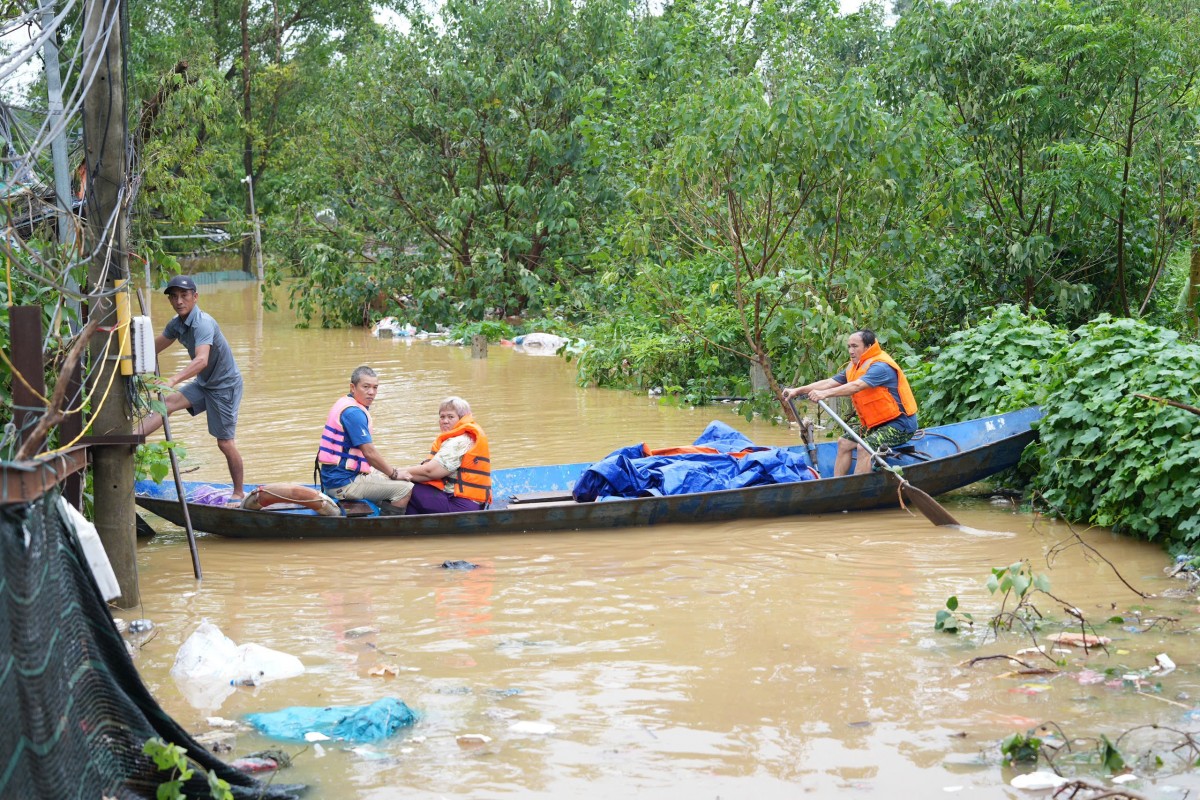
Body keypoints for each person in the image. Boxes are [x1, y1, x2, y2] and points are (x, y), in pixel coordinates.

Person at [137, 275, 245, 502]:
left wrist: (173, 379)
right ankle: (131, 439)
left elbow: (202, 360)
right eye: (174, 297)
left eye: (184, 296)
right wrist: (129, 359)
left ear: (195, 297)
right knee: (166, 404)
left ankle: (238, 493)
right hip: (205, 383)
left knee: (225, 443)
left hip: (224, 387)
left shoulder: (203, 323)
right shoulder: (176, 324)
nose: (179, 301)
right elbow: (153, 348)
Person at [783, 329, 918, 477]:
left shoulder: (880, 366)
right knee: (843, 442)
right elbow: (829, 382)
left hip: (900, 424)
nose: (851, 351)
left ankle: (858, 490)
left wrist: (824, 394)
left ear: (868, 347)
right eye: (849, 346)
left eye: (855, 346)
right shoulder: (855, 366)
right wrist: (797, 390)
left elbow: (857, 386)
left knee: (863, 447)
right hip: (876, 424)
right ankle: (837, 483)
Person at [316, 366, 413, 511]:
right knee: (405, 489)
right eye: (366, 387)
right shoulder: (354, 413)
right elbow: (370, 453)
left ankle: (380, 511)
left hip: (334, 480)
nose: (371, 392)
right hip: (343, 485)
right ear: (352, 387)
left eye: (375, 387)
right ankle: (388, 530)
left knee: (384, 477)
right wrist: (394, 473)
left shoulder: (346, 403)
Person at [396, 396, 492, 515]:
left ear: (461, 419)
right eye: (442, 417)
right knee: (410, 489)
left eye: (450, 417)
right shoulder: (459, 437)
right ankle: (411, 523)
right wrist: (400, 474)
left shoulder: (459, 441)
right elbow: (428, 474)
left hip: (461, 506)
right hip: (465, 502)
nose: (445, 421)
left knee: (402, 487)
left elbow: (430, 472)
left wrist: (394, 473)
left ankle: (396, 524)